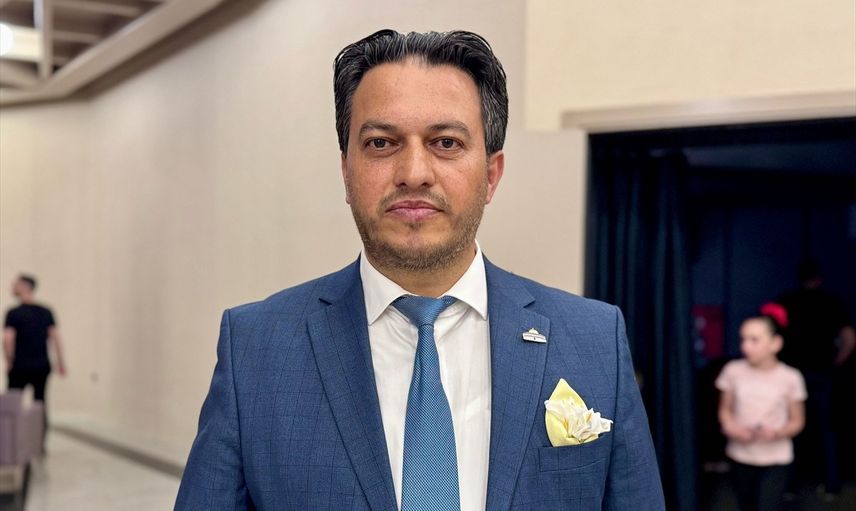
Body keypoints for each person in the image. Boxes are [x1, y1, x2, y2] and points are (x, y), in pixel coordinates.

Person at [175, 29, 664, 511]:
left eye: (446, 142)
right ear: (346, 172)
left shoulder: (594, 341)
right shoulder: (256, 349)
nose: (414, 173)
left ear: (491, 175)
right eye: (381, 143)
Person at [716, 305, 806, 511]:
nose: (746, 346)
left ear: (775, 343)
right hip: (740, 455)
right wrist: (732, 427)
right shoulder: (732, 371)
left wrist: (777, 433)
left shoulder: (791, 377)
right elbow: (725, 410)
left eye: (754, 340)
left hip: (776, 459)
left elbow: (798, 420)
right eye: (743, 339)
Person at [778, 258, 855, 498]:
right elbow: (850, 339)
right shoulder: (832, 302)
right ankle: (831, 485)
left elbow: (772, 338)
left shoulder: (786, 302)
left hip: (793, 375)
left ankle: (790, 486)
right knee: (827, 431)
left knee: (793, 431)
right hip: (822, 374)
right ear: (819, 278)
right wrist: (834, 363)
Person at [3, 274, 67, 449]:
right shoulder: (46, 312)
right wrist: (60, 363)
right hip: (41, 365)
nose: (12, 287)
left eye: (16, 284)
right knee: (40, 402)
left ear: (25, 286)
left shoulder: (13, 313)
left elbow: (8, 339)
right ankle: (39, 443)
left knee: (13, 404)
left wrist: (9, 361)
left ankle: (12, 443)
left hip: (19, 366)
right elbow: (55, 338)